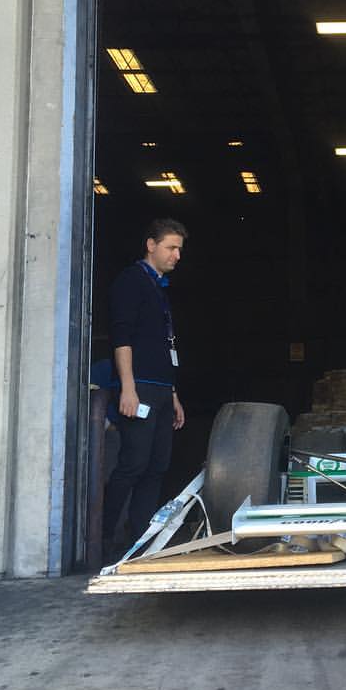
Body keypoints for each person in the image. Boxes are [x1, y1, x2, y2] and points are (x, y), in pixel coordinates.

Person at [102, 218, 187, 553]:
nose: (177, 255)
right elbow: (122, 337)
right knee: (134, 463)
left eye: (179, 249)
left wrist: (173, 394)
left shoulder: (158, 288)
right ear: (151, 245)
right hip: (139, 387)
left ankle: (140, 537)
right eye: (171, 247)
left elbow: (164, 346)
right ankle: (104, 535)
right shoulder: (131, 281)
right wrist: (127, 387)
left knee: (156, 465)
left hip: (161, 389)